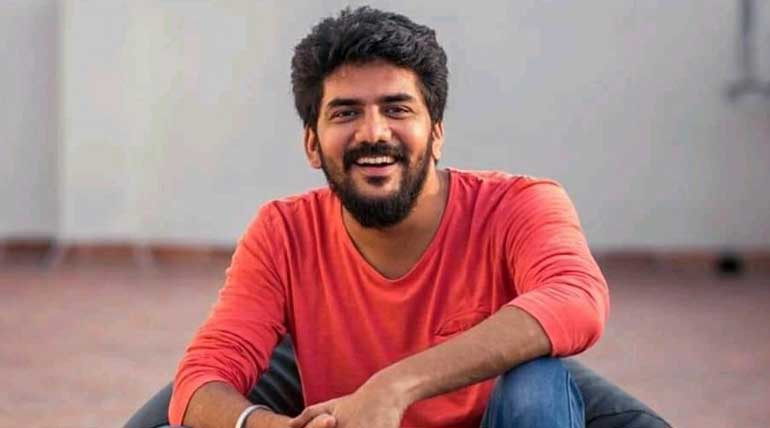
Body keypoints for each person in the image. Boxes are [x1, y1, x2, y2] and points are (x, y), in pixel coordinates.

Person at [170, 7, 611, 428]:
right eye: (346, 113)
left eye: (397, 109)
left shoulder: (517, 205)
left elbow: (575, 297)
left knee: (537, 384)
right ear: (312, 145)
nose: (374, 133)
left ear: (436, 134)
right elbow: (201, 377)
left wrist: (395, 386)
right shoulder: (283, 233)